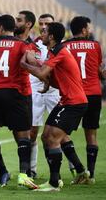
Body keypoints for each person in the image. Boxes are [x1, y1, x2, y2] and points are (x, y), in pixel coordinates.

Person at [21, 22, 88, 191]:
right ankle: (77, 172)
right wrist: (46, 82)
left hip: (74, 102)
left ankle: (54, 183)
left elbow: (43, 72)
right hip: (66, 100)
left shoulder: (59, 50)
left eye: (44, 32)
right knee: (46, 137)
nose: (41, 34)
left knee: (53, 138)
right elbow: (49, 74)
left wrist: (25, 65)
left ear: (51, 37)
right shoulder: (54, 51)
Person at [0, 14, 37, 190]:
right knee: (23, 136)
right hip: (16, 94)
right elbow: (33, 63)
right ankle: (23, 175)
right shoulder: (23, 45)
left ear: (1, 28)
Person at [62, 16, 103, 184]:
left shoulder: (65, 47)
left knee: (61, 134)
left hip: (74, 95)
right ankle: (91, 175)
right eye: (89, 28)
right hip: (93, 94)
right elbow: (99, 71)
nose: (90, 30)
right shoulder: (95, 46)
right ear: (84, 30)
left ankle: (80, 170)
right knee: (91, 134)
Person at [29, 14, 62, 177]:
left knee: (59, 133)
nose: (43, 26)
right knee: (32, 132)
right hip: (35, 91)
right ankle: (32, 170)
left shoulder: (60, 46)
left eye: (46, 23)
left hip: (54, 92)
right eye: (41, 23)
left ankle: (72, 168)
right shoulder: (33, 45)